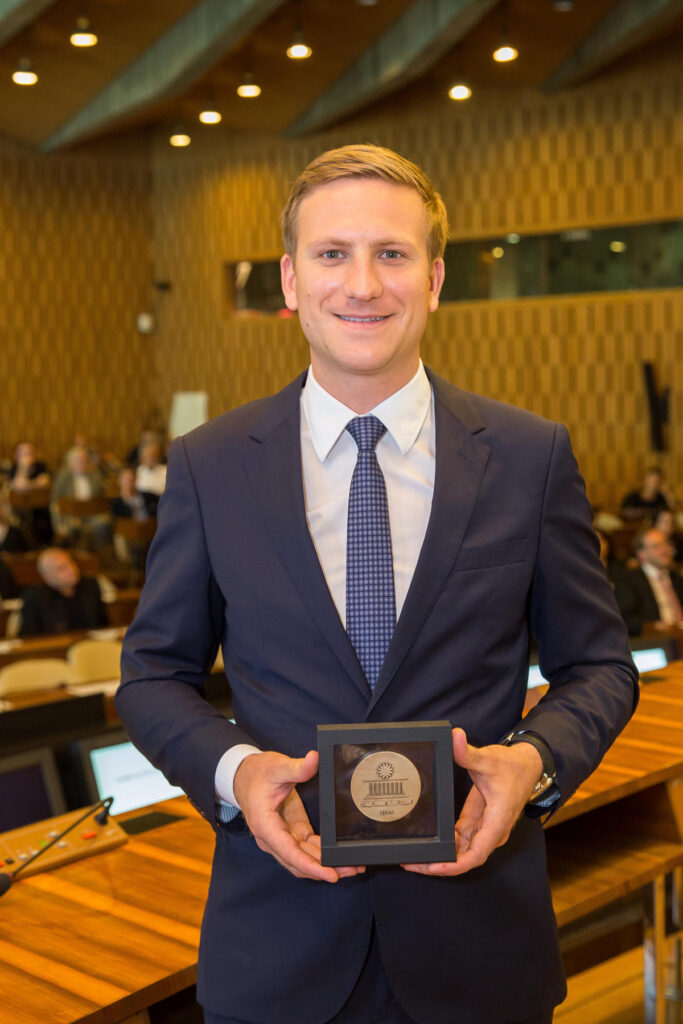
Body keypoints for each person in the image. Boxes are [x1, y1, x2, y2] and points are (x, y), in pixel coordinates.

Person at [117, 144, 637, 1024]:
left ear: (434, 279)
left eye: (391, 254)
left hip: (480, 946)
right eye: (332, 254)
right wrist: (236, 774)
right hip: (277, 947)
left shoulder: (527, 455)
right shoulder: (209, 465)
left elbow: (600, 668)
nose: (362, 285)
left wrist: (533, 762)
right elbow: (152, 678)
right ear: (289, 281)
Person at [20, 547, 108, 636]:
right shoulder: (33, 596)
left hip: (92, 644)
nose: (71, 569)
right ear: (46, 577)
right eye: (61, 568)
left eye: (71, 563)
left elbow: (103, 623)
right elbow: (29, 634)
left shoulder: (90, 585)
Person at [614, 527, 683, 636]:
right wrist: (654, 627)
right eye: (656, 546)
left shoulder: (677, 578)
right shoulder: (628, 580)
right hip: (655, 641)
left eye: (666, 544)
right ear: (641, 553)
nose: (664, 550)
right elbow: (625, 618)